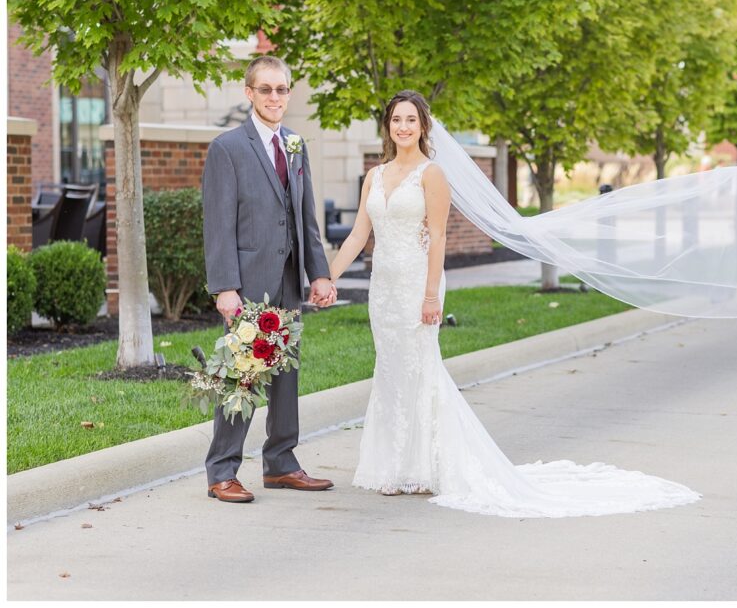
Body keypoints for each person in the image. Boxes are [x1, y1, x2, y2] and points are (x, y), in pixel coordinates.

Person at [327, 90, 701, 517]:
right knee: (391, 370)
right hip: (384, 289)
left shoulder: (432, 175)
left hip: (417, 285)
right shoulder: (376, 176)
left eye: (411, 119)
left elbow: (439, 237)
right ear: (388, 126)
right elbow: (359, 234)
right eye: (397, 120)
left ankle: (422, 467)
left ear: (423, 126)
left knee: (419, 368)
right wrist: (328, 277)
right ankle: (391, 465)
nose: (404, 127)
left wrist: (431, 295)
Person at [201, 55, 338, 503]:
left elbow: (305, 216)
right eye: (266, 90)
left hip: (287, 281)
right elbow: (218, 223)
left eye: (281, 90)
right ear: (249, 93)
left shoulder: (295, 144)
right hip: (247, 284)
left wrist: (318, 273)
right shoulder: (228, 147)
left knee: (286, 377)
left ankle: (281, 463)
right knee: (242, 376)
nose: (275, 97)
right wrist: (225, 287)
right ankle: (222, 471)